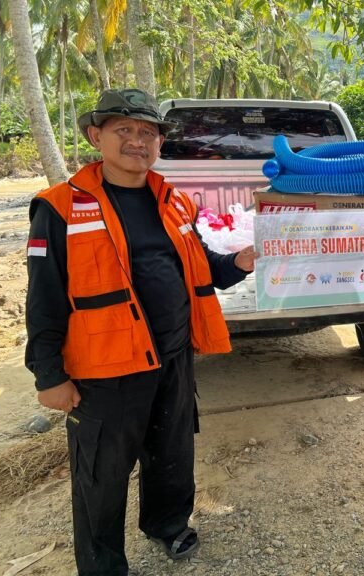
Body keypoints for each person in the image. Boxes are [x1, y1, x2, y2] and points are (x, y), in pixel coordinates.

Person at [24, 88, 256, 576]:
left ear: (158, 143)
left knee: (172, 454)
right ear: (96, 136)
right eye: (123, 130)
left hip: (172, 357)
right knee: (101, 475)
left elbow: (203, 270)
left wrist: (243, 260)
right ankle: (103, 564)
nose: (137, 141)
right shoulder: (60, 207)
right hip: (105, 371)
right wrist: (48, 375)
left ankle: (168, 525)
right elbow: (43, 299)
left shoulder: (174, 203)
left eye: (147, 133)